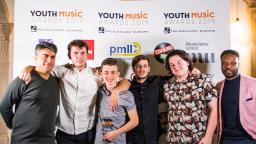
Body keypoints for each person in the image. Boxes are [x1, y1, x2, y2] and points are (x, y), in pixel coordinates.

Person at [19, 40, 131, 144]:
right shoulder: (61, 71)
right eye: (75, 53)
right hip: (64, 133)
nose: (79, 57)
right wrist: (27, 68)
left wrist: (116, 91)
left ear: (87, 54)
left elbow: (126, 82)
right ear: (69, 55)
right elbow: (41, 67)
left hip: (88, 132)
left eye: (83, 53)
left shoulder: (97, 74)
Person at [0, 42, 59, 144]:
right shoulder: (23, 79)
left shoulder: (56, 81)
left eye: (52, 57)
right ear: (36, 57)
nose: (49, 60)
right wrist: (12, 124)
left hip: (48, 140)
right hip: (23, 140)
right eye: (45, 56)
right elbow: (4, 105)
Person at [163, 49, 217, 144]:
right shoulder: (167, 85)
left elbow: (215, 109)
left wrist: (208, 137)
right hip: (173, 140)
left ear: (187, 62)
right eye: (172, 65)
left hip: (197, 140)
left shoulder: (202, 80)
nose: (176, 66)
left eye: (179, 62)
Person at [127, 55, 170, 144]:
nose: (142, 69)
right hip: (132, 137)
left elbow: (177, 77)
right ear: (133, 69)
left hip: (153, 137)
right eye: (138, 66)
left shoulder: (157, 81)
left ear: (149, 68)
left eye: (145, 66)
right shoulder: (127, 86)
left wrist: (192, 71)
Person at [95, 58, 138, 144]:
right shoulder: (98, 91)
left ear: (118, 74)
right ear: (101, 74)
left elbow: (135, 121)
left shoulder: (126, 95)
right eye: (106, 72)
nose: (110, 76)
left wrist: (116, 132)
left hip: (117, 139)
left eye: (113, 72)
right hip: (100, 139)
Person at [216, 49, 256, 144]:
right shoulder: (218, 86)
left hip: (248, 138)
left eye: (233, 63)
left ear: (239, 64)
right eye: (224, 63)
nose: (228, 66)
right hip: (225, 138)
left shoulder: (253, 83)